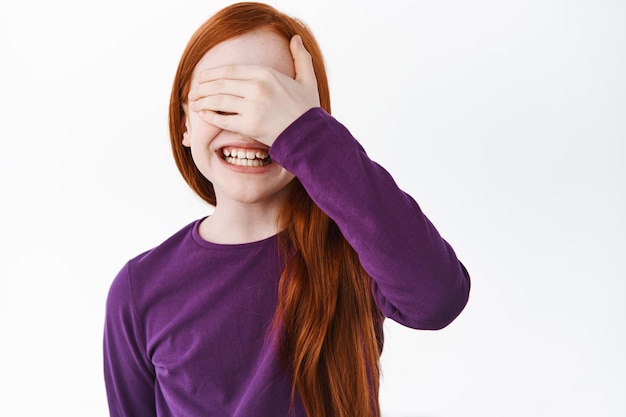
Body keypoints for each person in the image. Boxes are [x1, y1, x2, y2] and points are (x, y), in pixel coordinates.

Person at [103, 2, 471, 417]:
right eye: (224, 101)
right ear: (184, 123)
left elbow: (439, 298)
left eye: (272, 108)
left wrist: (305, 133)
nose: (249, 127)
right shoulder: (139, 289)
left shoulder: (355, 247)